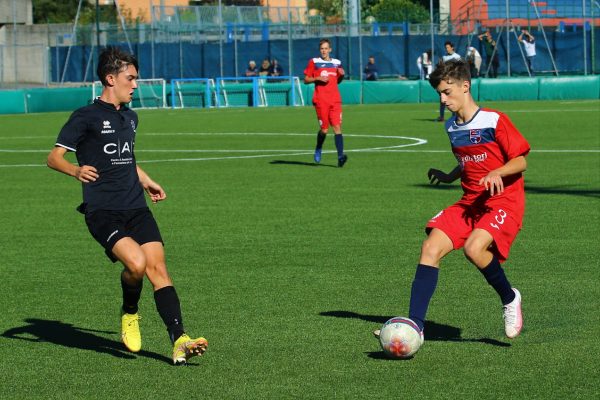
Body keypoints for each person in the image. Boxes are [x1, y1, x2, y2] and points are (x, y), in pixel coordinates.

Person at [46, 47, 208, 366]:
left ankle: (179, 340)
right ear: (110, 78)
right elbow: (53, 158)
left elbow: (125, 160)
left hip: (135, 205)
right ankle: (130, 312)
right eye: (130, 78)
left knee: (158, 269)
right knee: (135, 265)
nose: (135, 85)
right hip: (102, 211)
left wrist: (146, 180)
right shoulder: (85, 117)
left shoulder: (131, 118)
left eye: (136, 79)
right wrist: (75, 170)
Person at [374, 59, 529, 346]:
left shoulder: (495, 120)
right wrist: (449, 176)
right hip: (469, 202)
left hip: (502, 201)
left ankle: (510, 298)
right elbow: (467, 161)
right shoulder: (452, 127)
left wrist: (497, 171)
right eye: (440, 94)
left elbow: (520, 160)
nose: (443, 99)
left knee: (474, 249)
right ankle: (415, 326)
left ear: (465, 86)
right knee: (430, 247)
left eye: (447, 92)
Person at [304, 38, 347, 167]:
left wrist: (342, 75)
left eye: (326, 48)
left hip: (335, 100)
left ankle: (340, 157)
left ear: (330, 50)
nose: (324, 51)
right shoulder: (314, 62)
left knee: (337, 127)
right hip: (321, 100)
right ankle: (318, 147)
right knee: (324, 130)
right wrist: (317, 78)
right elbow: (305, 80)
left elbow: (337, 81)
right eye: (322, 48)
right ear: (320, 50)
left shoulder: (337, 63)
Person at [437, 41, 461, 122]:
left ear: (452, 47)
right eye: (446, 47)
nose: (446, 49)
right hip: (445, 81)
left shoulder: (457, 57)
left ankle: (454, 116)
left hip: (453, 81)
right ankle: (441, 116)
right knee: (442, 99)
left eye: (448, 47)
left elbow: (460, 69)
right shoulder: (444, 57)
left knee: (453, 99)